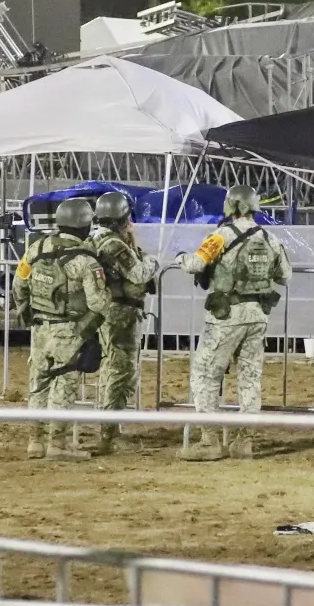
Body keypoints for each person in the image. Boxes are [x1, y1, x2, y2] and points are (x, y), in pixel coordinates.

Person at [178, 185, 290, 462]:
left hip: (227, 315)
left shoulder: (221, 235)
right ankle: (244, 442)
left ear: (231, 206)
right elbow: (285, 275)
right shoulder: (269, 238)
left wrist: (180, 258)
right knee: (250, 378)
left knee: (205, 374)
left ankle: (209, 441)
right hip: (258, 315)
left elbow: (195, 264)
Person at [13, 197, 109, 462]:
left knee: (39, 383)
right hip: (69, 330)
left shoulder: (36, 248)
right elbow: (98, 303)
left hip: (40, 329)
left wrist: (28, 312)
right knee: (64, 384)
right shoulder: (85, 260)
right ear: (85, 225)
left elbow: (18, 285)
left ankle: (35, 442)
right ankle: (58, 444)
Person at [84, 191, 157, 455]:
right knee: (120, 372)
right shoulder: (113, 244)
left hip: (112, 313)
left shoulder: (97, 239)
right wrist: (151, 260)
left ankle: (112, 429)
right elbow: (138, 273)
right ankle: (108, 433)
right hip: (120, 315)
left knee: (117, 370)